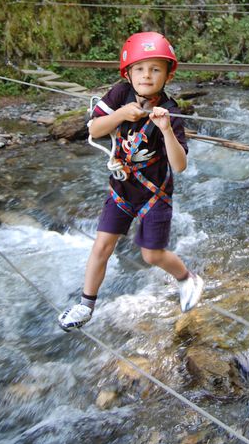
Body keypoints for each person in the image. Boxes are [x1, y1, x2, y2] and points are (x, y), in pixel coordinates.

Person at [58, 31, 204, 331]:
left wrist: (164, 129)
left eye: (155, 69)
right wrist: (122, 113)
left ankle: (187, 278)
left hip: (155, 193)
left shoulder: (171, 111)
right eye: (139, 68)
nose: (147, 75)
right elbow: (96, 129)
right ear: (128, 73)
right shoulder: (120, 94)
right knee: (102, 246)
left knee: (151, 254)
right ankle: (86, 305)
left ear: (167, 74)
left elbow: (179, 165)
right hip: (122, 187)